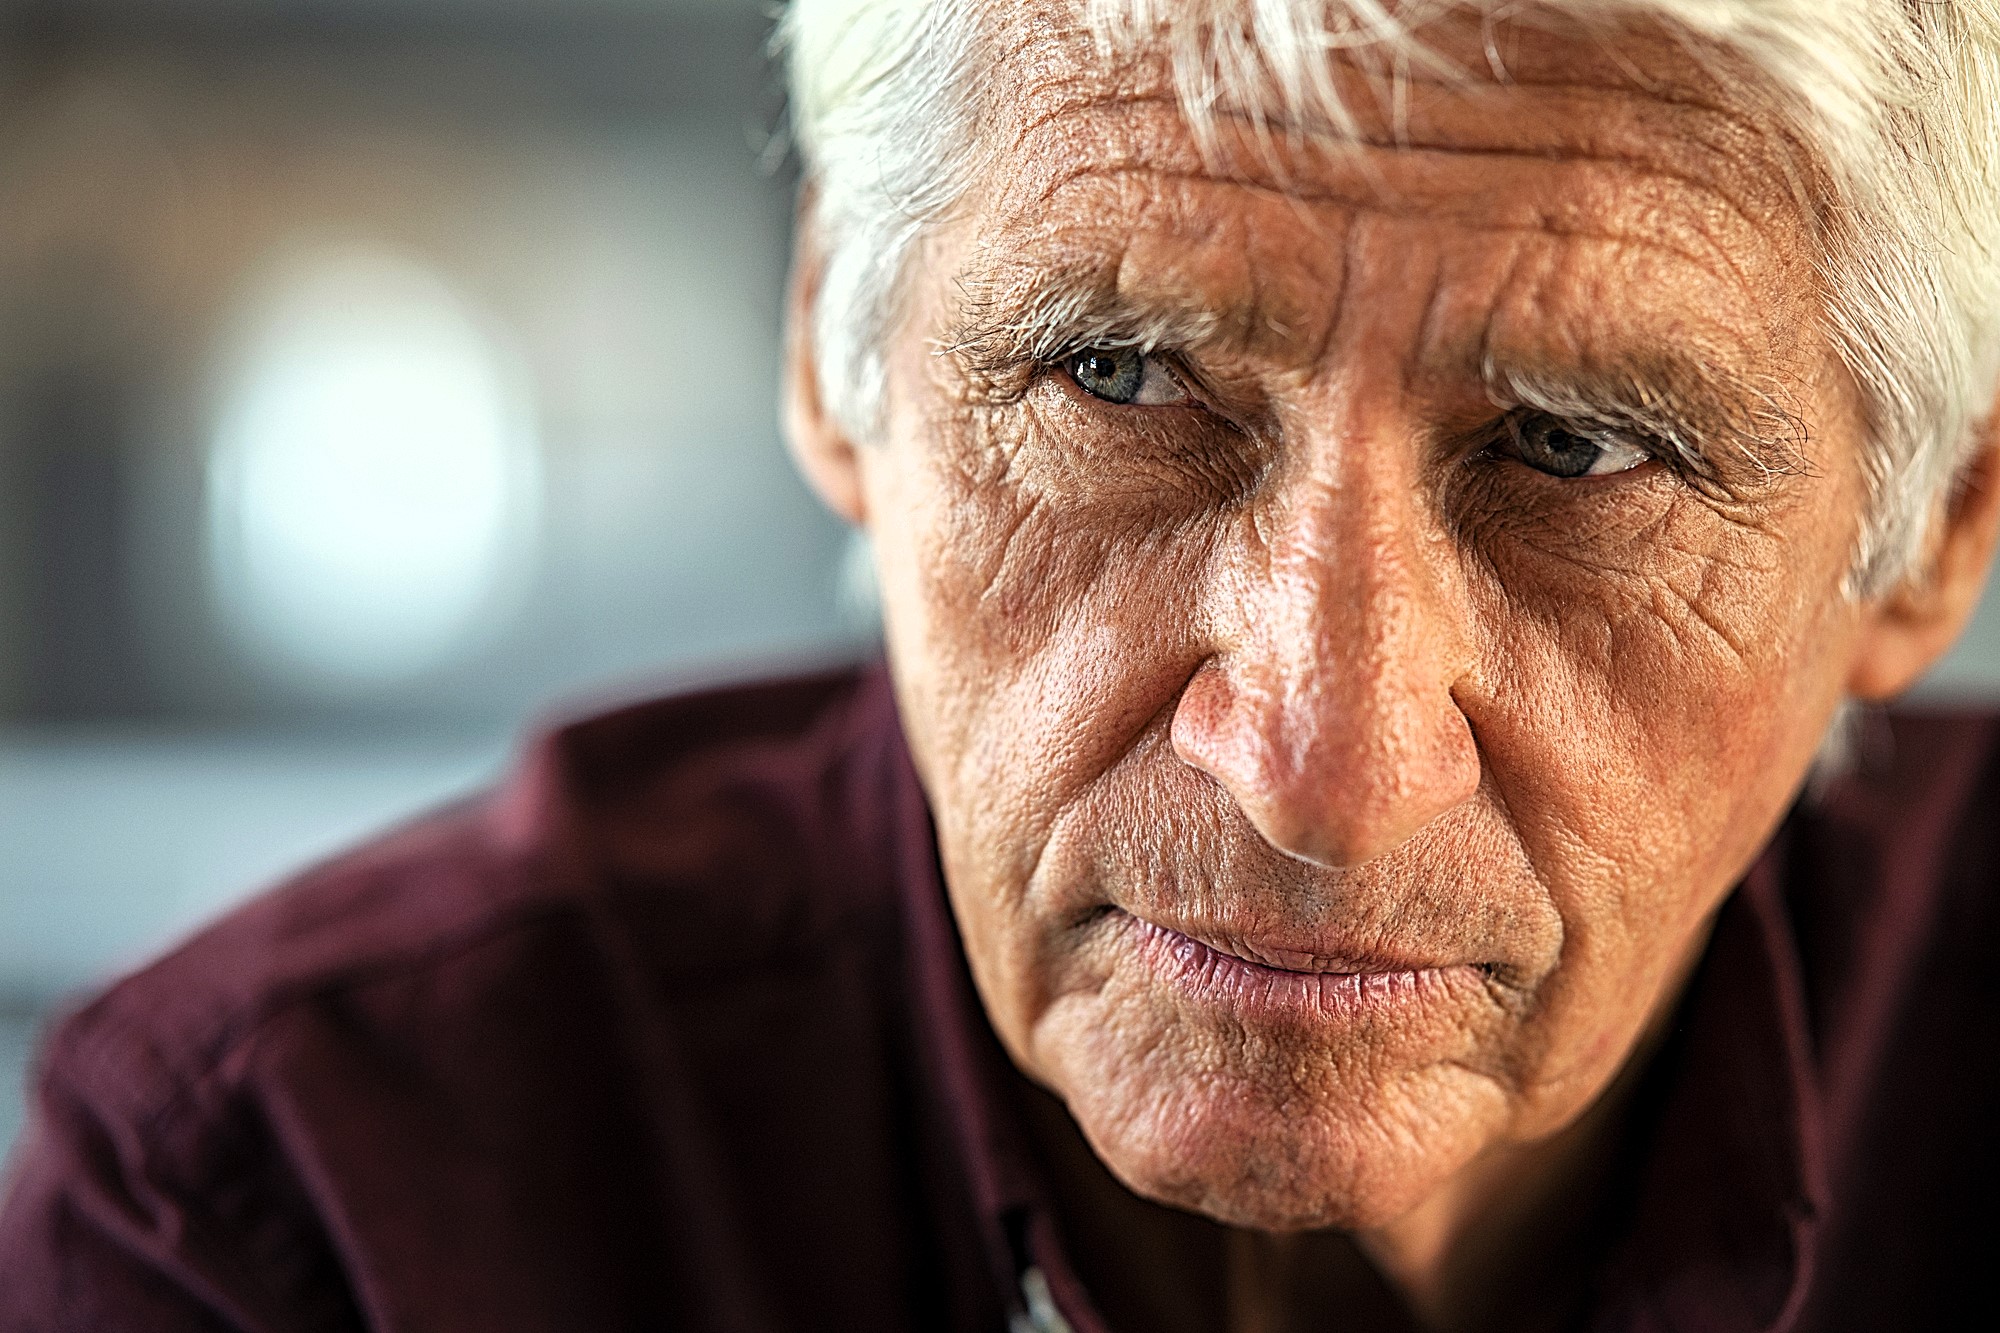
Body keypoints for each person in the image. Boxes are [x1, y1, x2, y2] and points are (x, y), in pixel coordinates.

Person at [6, 1, 2000, 1328]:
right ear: (834, 365)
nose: (1317, 758)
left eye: (1572, 448)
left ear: (1927, 533)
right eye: (1116, 375)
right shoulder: (299, 1213)